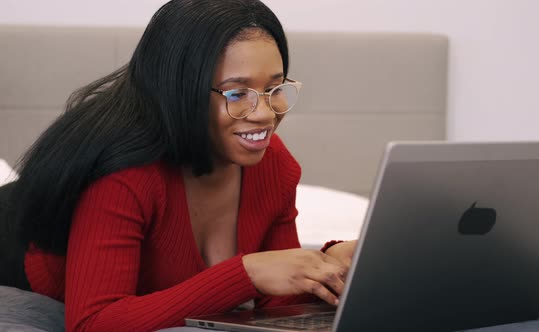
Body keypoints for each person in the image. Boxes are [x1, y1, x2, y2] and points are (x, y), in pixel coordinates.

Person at [7, 0, 358, 331]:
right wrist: (245, 274)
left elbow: (278, 298)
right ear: (181, 90)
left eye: (275, 88)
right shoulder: (124, 174)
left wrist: (330, 266)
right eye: (237, 93)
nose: (265, 113)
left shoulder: (274, 166)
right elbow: (93, 323)